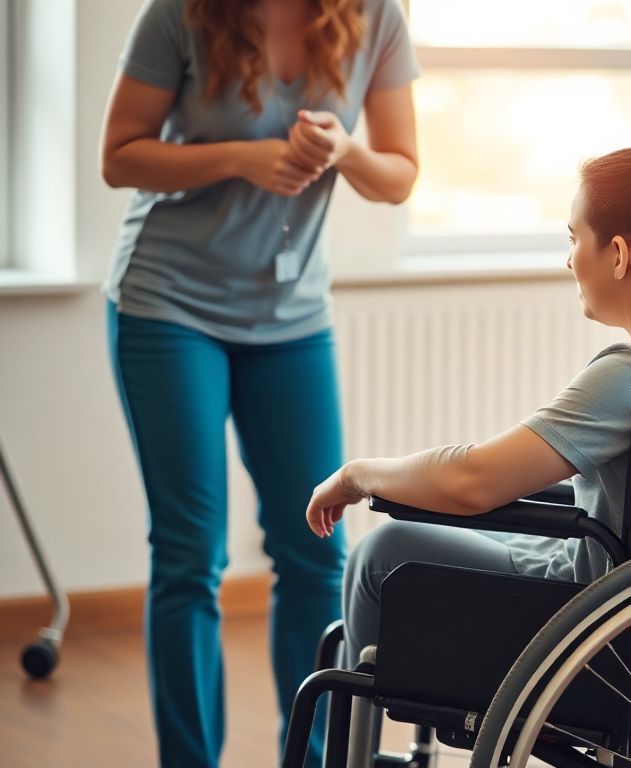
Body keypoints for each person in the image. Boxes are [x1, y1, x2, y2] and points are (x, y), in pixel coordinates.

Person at [303, 140, 631, 669]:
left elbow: (473, 480)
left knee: (382, 552)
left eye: (575, 239)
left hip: (601, 632)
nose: (569, 258)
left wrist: (356, 475)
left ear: (618, 255)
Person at [100, 0, 418, 765]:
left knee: (314, 545)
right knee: (189, 555)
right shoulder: (180, 14)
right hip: (169, 306)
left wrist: (343, 149)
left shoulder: (376, 15)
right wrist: (239, 156)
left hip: (292, 316)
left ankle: (306, 758)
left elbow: (399, 175)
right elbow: (120, 156)